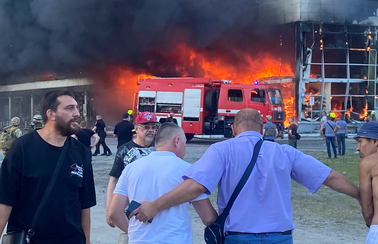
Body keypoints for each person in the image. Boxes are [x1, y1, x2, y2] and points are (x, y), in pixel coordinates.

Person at [130, 108, 360, 244]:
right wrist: (361, 195)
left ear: (233, 129)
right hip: (279, 238)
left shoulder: (222, 150)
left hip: (238, 239)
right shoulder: (285, 152)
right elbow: (329, 177)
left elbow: (195, 187)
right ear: (262, 130)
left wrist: (155, 206)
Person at [0, 90, 96, 244]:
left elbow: (85, 204)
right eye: (69, 108)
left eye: (77, 108)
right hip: (31, 240)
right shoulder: (23, 148)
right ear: (51, 114)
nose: (77, 113)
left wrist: (87, 241)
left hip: (71, 240)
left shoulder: (81, 152)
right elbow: (4, 200)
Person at [109, 123, 217, 244]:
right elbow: (208, 217)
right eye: (184, 142)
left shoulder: (130, 168)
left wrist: (133, 232)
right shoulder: (188, 170)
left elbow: (114, 212)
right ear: (177, 141)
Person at [105, 112, 157, 241]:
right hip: (130, 215)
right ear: (137, 128)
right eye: (146, 127)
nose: (151, 130)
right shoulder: (125, 150)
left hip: (157, 214)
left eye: (153, 127)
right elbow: (114, 180)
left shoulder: (160, 149)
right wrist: (109, 208)